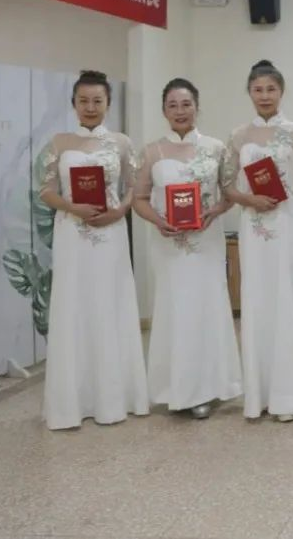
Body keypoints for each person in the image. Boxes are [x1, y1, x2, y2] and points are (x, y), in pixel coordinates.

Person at [39, 70, 149, 429]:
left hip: (110, 233)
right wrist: (72, 207)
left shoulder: (121, 143)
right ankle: (72, 402)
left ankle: (114, 399)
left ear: (108, 104)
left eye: (97, 101)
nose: (90, 107)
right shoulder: (59, 142)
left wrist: (119, 211)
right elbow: (46, 191)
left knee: (108, 303)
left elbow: (134, 188)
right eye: (83, 101)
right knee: (74, 306)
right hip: (72, 233)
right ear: (73, 104)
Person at [133, 78, 242, 419]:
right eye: (172, 105)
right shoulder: (151, 151)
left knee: (206, 306)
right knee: (174, 307)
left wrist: (214, 211)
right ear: (164, 110)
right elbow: (138, 198)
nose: (180, 111)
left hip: (206, 241)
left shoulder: (216, 148)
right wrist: (158, 220)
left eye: (186, 104)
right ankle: (173, 388)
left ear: (197, 106)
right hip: (168, 244)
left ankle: (207, 388)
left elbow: (230, 195)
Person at [222, 60, 293, 422]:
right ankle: (260, 394)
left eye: (271, 89)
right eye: (258, 90)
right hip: (254, 225)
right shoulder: (238, 135)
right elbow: (227, 185)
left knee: (288, 298)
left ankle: (291, 394)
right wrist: (250, 199)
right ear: (249, 92)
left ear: (282, 92)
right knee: (258, 299)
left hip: (288, 224)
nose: (264, 96)